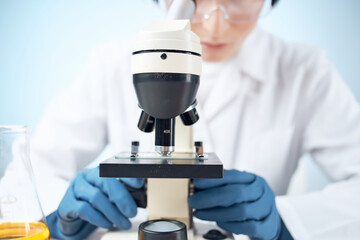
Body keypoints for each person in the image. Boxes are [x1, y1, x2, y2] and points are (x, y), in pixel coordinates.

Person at [28, 0, 360, 239]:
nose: (214, 24)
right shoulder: (110, 63)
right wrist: (61, 215)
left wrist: (284, 223)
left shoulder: (306, 72)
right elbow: (29, 171)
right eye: (193, 0)